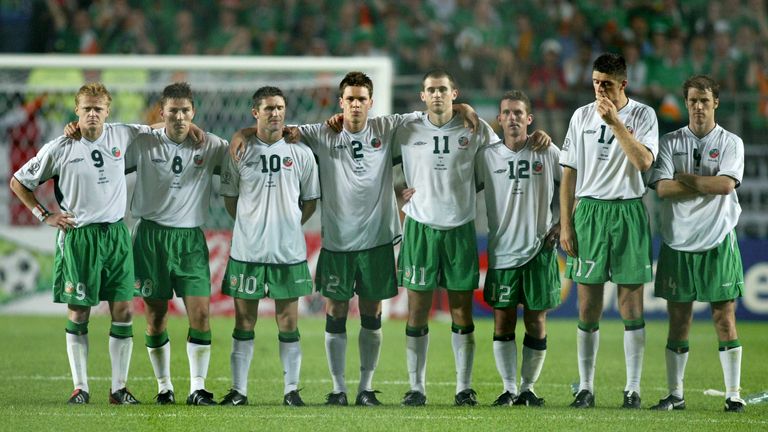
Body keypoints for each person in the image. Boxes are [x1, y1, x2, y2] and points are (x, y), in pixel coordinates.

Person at [228, 72, 480, 406]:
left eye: (362, 99)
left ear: (371, 102)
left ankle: (365, 388)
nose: (356, 104)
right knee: (335, 312)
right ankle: (338, 389)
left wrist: (463, 108)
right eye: (350, 99)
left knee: (372, 313)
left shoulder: (388, 127)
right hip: (338, 244)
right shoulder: (321, 133)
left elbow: (436, 110)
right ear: (341, 102)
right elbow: (277, 129)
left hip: (377, 241)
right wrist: (243, 132)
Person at [9, 82, 151, 404]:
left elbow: (159, 129)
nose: (92, 114)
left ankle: (119, 389)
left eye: (98, 109)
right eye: (86, 108)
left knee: (123, 309)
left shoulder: (122, 134)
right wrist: (44, 214)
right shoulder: (59, 147)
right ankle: (80, 388)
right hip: (79, 237)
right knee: (79, 311)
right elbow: (18, 181)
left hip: (115, 235)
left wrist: (189, 127)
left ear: (107, 111)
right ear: (77, 110)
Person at [395, 69, 501, 407]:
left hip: (460, 229)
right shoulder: (406, 127)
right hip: (420, 229)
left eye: (443, 89)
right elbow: (371, 153)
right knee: (417, 312)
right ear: (422, 96)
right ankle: (416, 388)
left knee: (461, 312)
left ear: (454, 94)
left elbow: (503, 158)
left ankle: (463, 388)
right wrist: (394, 192)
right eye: (431, 90)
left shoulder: (474, 127)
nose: (437, 94)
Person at [559, 53, 658, 409]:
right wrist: (566, 224)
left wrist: (616, 123)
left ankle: (633, 389)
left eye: (607, 84)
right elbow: (568, 173)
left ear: (623, 84)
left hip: (628, 210)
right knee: (587, 307)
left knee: (631, 305)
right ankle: (586, 387)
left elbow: (643, 162)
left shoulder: (643, 115)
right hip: (589, 212)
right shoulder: (580, 116)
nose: (599, 89)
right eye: (595, 82)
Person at [125, 82, 228, 406]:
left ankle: (198, 387)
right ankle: (164, 387)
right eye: (173, 111)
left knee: (201, 314)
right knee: (156, 317)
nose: (180, 117)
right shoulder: (144, 142)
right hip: (151, 238)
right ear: (162, 112)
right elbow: (110, 142)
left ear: (193, 112)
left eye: (185, 111)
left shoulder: (211, 145)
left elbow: (241, 151)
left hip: (190, 241)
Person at [648, 75, 746, 413]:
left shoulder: (731, 142)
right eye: (693, 101)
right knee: (678, 321)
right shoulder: (670, 142)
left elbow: (726, 186)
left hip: (717, 238)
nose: (698, 107)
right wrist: (707, 182)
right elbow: (662, 189)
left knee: (724, 318)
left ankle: (733, 394)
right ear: (686, 103)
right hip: (677, 241)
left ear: (715, 102)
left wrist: (687, 178)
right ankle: (675, 395)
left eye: (704, 100)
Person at [218, 86, 320, 407]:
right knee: (244, 322)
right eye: (268, 108)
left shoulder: (302, 154)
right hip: (247, 252)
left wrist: (287, 225)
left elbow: (310, 202)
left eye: (279, 108)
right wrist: (250, 225)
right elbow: (231, 200)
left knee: (288, 323)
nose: (275, 113)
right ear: (255, 113)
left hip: (287, 252)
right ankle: (239, 391)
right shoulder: (239, 151)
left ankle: (291, 391)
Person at [476, 90, 561, 407]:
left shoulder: (547, 151)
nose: (512, 118)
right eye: (507, 113)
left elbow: (577, 183)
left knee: (536, 321)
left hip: (539, 251)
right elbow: (460, 186)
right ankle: (509, 388)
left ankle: (528, 388)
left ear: (529, 119)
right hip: (502, 252)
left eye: (518, 113)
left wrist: (564, 224)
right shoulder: (486, 156)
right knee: (503, 321)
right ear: (499, 119)